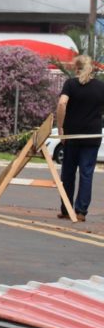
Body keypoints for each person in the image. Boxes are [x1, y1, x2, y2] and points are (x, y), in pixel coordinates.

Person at [56, 54, 104, 222]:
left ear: (76, 68)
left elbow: (62, 103)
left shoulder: (70, 84)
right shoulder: (100, 87)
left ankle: (66, 208)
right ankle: (81, 211)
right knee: (86, 173)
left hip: (72, 136)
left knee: (68, 173)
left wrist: (61, 127)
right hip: (92, 136)